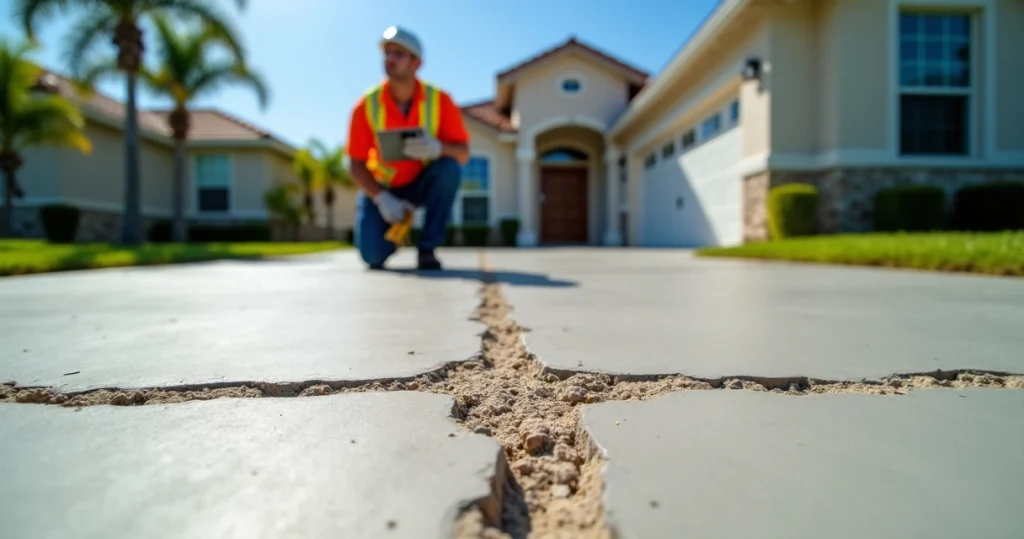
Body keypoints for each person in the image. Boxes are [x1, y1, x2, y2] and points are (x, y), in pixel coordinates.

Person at [346, 26, 470, 271]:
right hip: (383, 189)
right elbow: (356, 164)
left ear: (416, 63)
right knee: (372, 258)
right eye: (387, 53)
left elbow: (463, 153)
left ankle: (427, 249)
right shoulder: (366, 105)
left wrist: (438, 148)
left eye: (398, 54)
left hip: (421, 184)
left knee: (449, 170)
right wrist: (382, 198)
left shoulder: (440, 101)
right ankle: (394, 235)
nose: (389, 59)